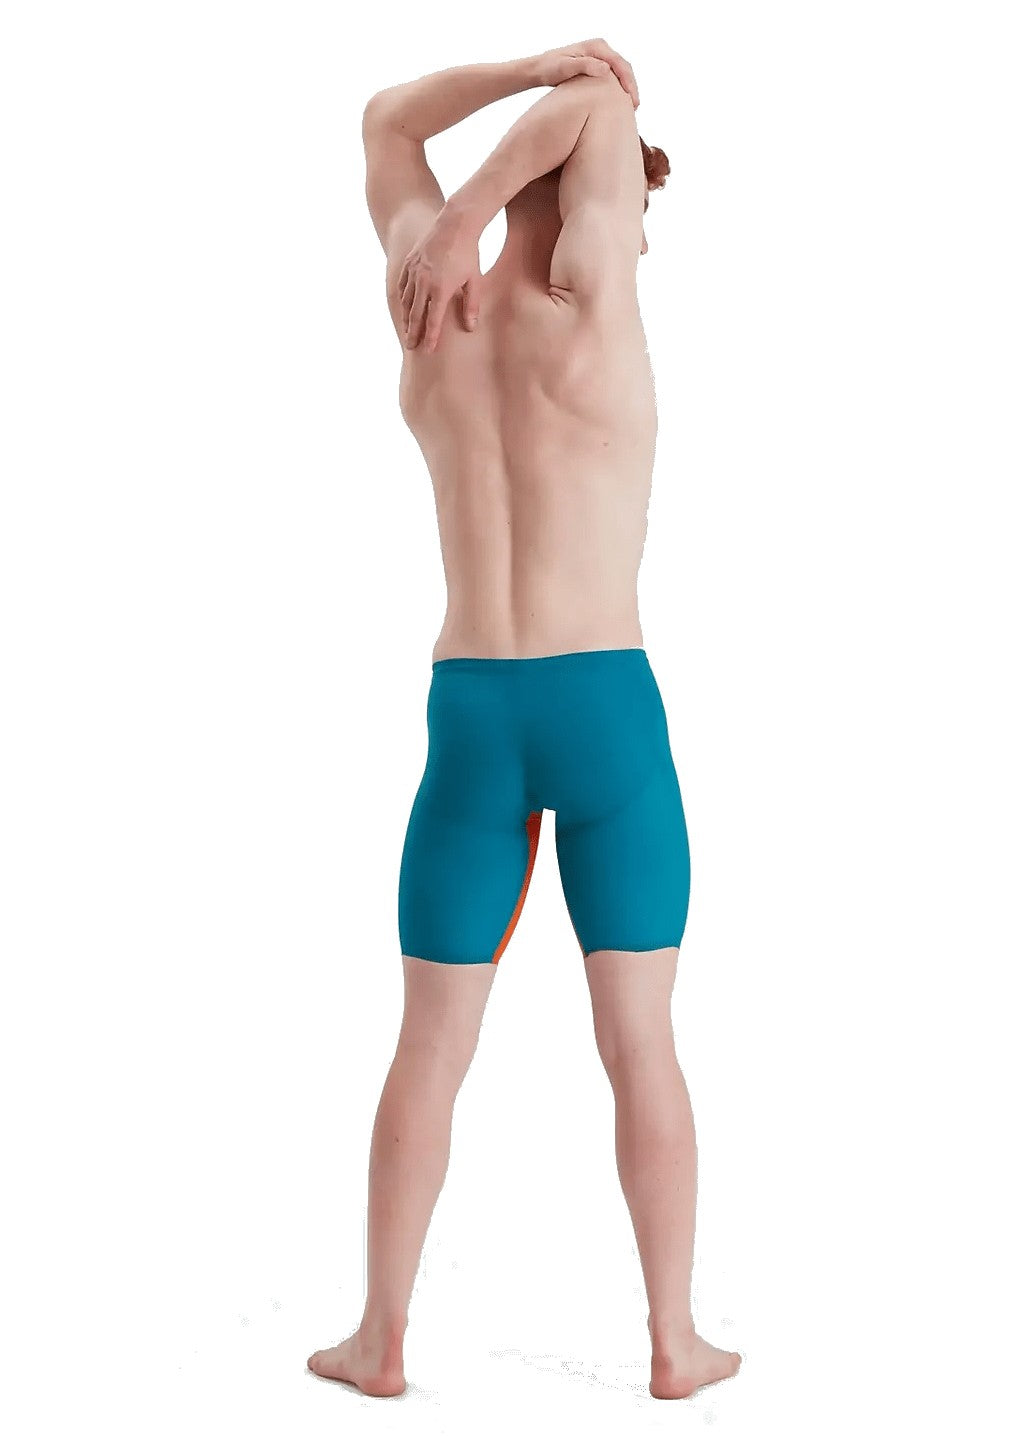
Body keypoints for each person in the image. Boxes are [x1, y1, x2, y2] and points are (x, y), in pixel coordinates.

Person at [307, 38, 742, 1401]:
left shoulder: (426, 300)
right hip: (603, 706)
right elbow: (599, 101)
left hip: (471, 715)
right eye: (637, 212)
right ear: (603, 199)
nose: (642, 241)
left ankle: (379, 1340)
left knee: (428, 1047)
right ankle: (674, 1344)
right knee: (641, 1044)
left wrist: (460, 202)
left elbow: (386, 117)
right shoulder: (590, 289)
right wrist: (510, 165)